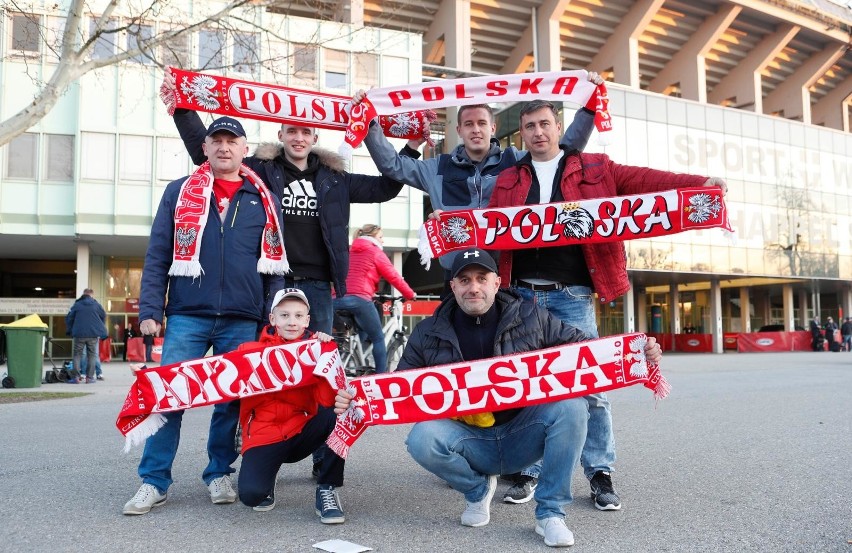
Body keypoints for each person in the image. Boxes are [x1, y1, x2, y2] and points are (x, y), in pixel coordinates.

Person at [487, 99, 728, 509]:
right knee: (525, 384)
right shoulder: (508, 177)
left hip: (572, 294)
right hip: (522, 295)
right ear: (521, 133)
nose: (538, 132)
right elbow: (489, 228)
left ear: (558, 125)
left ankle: (599, 471)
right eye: (529, 126)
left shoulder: (597, 167)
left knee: (591, 385)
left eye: (545, 123)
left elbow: (648, 180)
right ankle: (528, 470)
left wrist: (701, 181)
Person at [333, 247, 662, 547]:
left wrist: (638, 353)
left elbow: (587, 350)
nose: (473, 287)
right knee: (421, 438)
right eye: (464, 280)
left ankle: (550, 513)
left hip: (523, 434)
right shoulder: (427, 332)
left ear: (497, 281)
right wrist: (357, 398)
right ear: (453, 287)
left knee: (573, 407)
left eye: (481, 278)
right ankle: (477, 490)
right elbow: (396, 389)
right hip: (470, 440)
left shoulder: (532, 316)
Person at [123, 116, 286, 516]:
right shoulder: (180, 192)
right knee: (168, 399)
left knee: (231, 402)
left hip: (243, 316)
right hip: (187, 314)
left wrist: (272, 316)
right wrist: (149, 309)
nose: (225, 147)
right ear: (206, 148)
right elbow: (159, 251)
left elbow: (274, 264)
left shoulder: (262, 195)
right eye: (217, 140)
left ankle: (218, 472)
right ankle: (154, 481)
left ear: (245, 148)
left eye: (233, 141)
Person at [163, 67, 404, 336]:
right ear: (281, 135)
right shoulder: (260, 169)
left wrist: (376, 130)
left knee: (315, 358)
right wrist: (182, 104)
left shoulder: (337, 179)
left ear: (315, 137)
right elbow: (205, 154)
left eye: (305, 132)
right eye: (291, 131)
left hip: (318, 284)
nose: (298, 138)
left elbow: (387, 187)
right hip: (271, 280)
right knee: (269, 357)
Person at [353, 72, 603, 291]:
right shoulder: (437, 168)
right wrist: (369, 122)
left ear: (493, 128)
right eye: (469, 124)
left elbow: (562, 153)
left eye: (482, 123)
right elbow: (392, 165)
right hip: (456, 278)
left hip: (503, 277)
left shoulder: (516, 161)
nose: (476, 130)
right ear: (459, 130)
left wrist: (589, 110)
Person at [235, 288, 346, 523]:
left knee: (340, 413)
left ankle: (327, 488)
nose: (292, 322)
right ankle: (269, 473)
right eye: (284, 315)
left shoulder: (317, 349)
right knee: (251, 496)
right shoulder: (248, 352)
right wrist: (154, 381)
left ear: (307, 320)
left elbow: (328, 400)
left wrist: (325, 352)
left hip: (301, 430)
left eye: (298, 316)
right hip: (264, 435)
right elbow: (207, 381)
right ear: (273, 319)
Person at [333, 224, 416, 374]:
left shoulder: (348, 251)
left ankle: (357, 359)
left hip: (336, 299)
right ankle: (380, 376)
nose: (383, 241)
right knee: (378, 338)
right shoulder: (375, 252)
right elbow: (393, 276)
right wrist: (410, 294)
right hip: (359, 298)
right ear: (372, 238)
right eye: (381, 237)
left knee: (358, 330)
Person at [64, 288, 107, 384]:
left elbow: (69, 318)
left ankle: (76, 377)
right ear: (92, 295)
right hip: (93, 334)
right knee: (92, 355)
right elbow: (103, 315)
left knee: (77, 355)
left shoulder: (77, 305)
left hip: (79, 334)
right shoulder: (96, 305)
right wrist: (99, 327)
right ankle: (90, 378)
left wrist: (70, 330)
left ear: (83, 294)